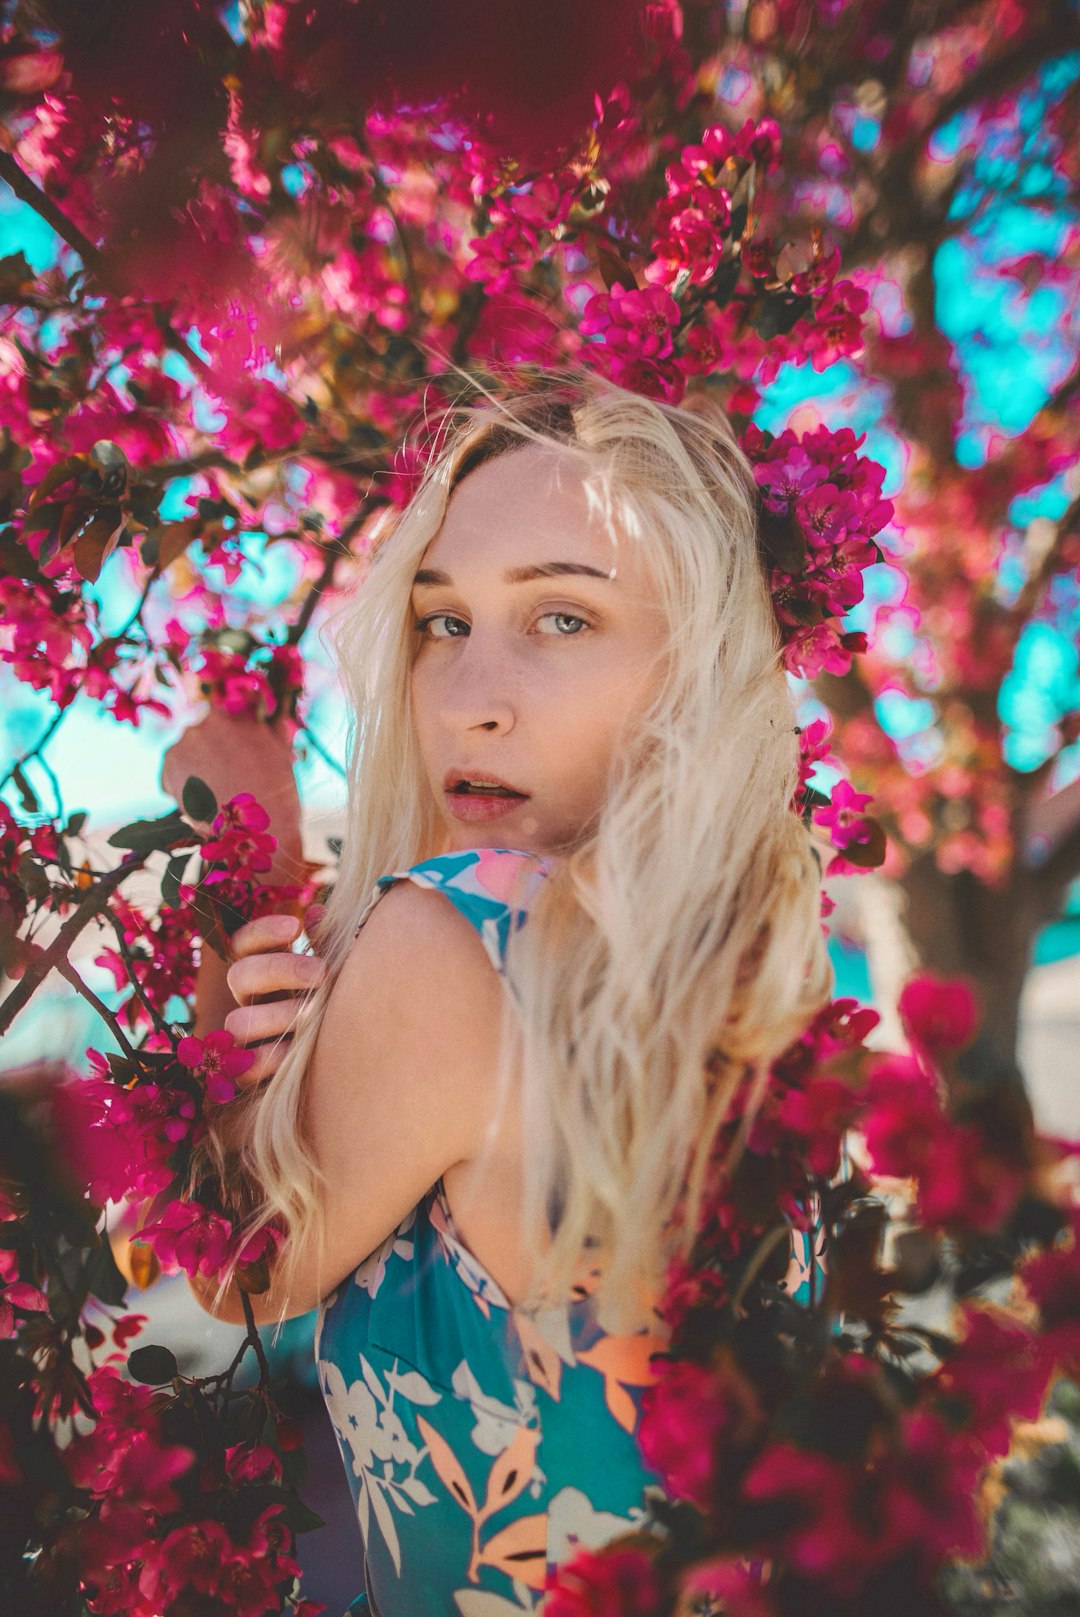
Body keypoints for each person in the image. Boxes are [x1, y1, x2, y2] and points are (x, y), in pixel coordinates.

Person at [162, 372, 833, 1615]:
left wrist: (242, 865)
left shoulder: (462, 933)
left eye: (563, 618)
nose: (472, 696)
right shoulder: (754, 971)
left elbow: (238, 1264)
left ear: (697, 665)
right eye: (442, 622)